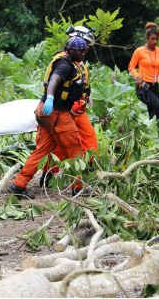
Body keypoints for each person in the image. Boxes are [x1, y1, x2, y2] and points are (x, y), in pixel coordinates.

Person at [9, 36, 87, 199]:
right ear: (71, 50)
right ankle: (78, 187)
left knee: (42, 150)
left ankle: (18, 185)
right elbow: (54, 80)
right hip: (55, 112)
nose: (83, 53)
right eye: (80, 50)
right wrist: (50, 97)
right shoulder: (65, 65)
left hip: (44, 112)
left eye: (84, 49)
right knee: (74, 148)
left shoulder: (68, 62)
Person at [39, 25, 99, 196]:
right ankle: (52, 175)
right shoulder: (63, 60)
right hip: (64, 109)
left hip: (78, 109)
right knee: (65, 146)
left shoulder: (79, 60)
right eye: (85, 44)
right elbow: (55, 82)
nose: (86, 48)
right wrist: (51, 99)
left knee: (89, 140)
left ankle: (88, 173)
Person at [128, 22, 159, 119]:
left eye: (157, 39)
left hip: (155, 86)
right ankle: (148, 127)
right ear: (147, 39)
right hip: (143, 87)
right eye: (152, 39)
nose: (155, 41)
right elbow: (131, 67)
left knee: (153, 113)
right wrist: (138, 76)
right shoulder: (139, 51)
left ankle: (150, 131)